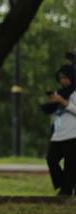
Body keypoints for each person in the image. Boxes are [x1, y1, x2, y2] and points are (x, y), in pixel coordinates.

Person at [43, 64, 76, 195]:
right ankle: (65, 186)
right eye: (61, 78)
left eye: (66, 77)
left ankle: (65, 192)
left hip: (73, 134)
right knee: (51, 160)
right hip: (58, 134)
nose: (63, 80)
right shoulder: (60, 93)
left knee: (70, 166)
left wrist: (63, 102)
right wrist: (53, 102)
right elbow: (55, 114)